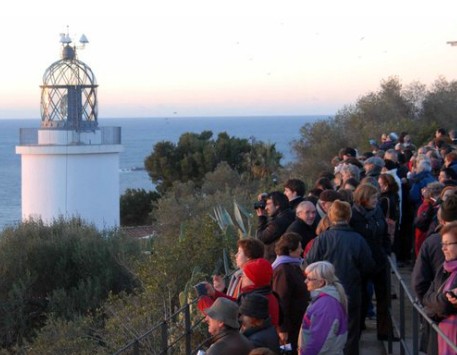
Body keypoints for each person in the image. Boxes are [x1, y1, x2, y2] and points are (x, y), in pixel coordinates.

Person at [307, 199, 374, 355]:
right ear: (349, 216)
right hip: (351, 290)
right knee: (350, 332)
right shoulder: (358, 239)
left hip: (325, 291)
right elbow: (369, 266)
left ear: (330, 216)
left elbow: (310, 263)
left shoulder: (323, 239)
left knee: (326, 330)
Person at [350, 183, 395, 342]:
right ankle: (358, 329)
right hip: (361, 263)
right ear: (363, 199)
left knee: (384, 298)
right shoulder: (353, 216)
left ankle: (384, 332)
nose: (376, 200)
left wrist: (387, 250)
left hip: (380, 260)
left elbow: (384, 233)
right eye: (373, 197)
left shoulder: (378, 211)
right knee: (361, 297)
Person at [298, 261, 348, 355]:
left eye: (309, 279)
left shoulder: (326, 305)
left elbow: (319, 341)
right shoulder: (326, 300)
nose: (305, 281)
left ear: (321, 282)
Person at [422, 221, 457, 355]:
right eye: (443, 244)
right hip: (440, 340)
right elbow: (426, 298)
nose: (443, 248)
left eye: (448, 244)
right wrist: (443, 300)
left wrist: (438, 304)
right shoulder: (444, 269)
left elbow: (441, 306)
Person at [272, 233, 309, 353]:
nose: (302, 250)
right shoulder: (283, 270)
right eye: (299, 247)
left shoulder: (293, 265)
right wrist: (283, 329)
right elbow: (281, 300)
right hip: (290, 325)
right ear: (290, 250)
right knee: (289, 350)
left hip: (297, 321)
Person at [256, 191, 295, 262]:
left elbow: (262, 237)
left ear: (277, 205)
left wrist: (261, 218)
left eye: (268, 204)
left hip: (276, 260)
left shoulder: (278, 222)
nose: (266, 208)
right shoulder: (290, 214)